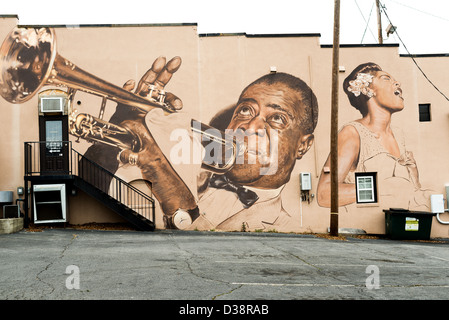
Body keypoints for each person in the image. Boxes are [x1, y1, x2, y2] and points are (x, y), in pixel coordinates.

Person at [83, 57, 319, 231]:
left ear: (303, 145)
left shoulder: (289, 229)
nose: (250, 127)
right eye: (245, 110)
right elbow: (91, 182)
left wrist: (179, 203)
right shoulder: (185, 162)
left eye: (277, 118)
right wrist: (116, 130)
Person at [317, 62, 429, 210]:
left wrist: (413, 177)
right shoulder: (352, 133)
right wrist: (379, 188)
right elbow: (325, 194)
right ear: (368, 89)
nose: (397, 82)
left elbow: (412, 193)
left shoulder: (398, 135)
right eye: (386, 78)